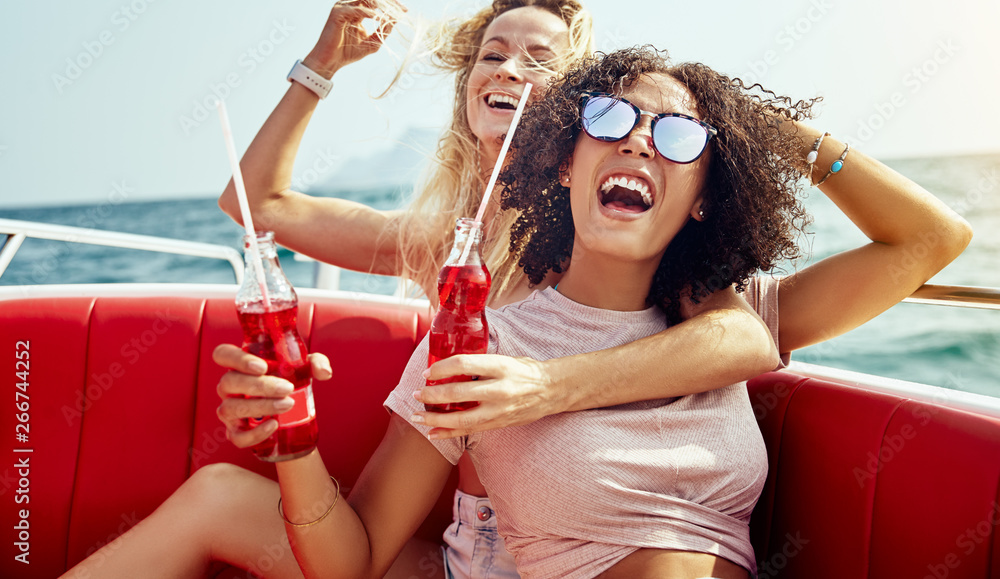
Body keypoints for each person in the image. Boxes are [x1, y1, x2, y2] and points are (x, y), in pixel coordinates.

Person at [242, 46, 906, 578]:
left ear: (706, 194)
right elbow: (351, 560)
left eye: (680, 136)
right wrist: (294, 444)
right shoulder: (479, 346)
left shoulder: (726, 314)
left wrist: (776, 133)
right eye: (611, 119)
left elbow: (926, 242)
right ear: (566, 162)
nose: (641, 142)